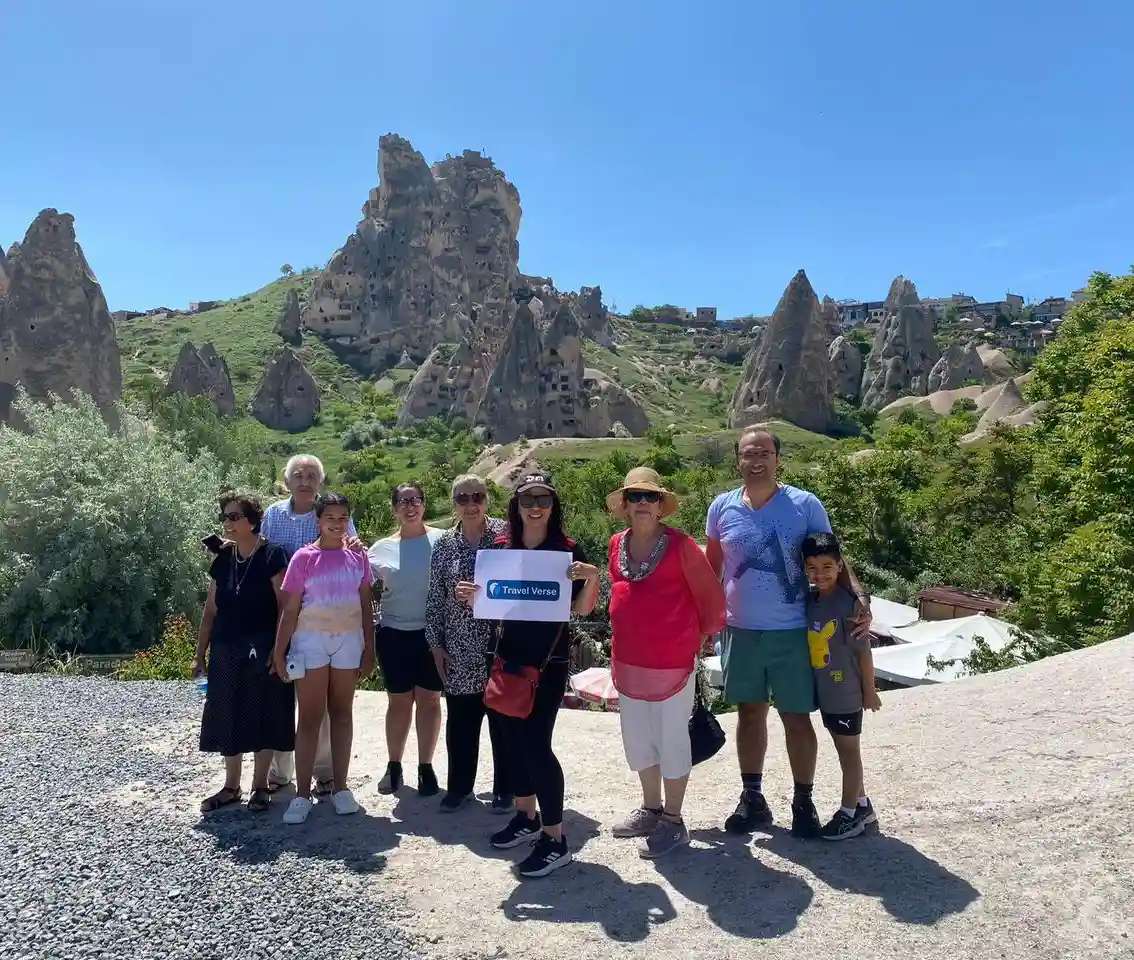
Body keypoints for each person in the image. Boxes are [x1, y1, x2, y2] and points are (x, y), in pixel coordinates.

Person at [706, 427, 870, 838]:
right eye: (748, 454)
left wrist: (860, 601)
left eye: (764, 452)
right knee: (749, 714)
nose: (756, 460)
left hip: (795, 630)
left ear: (778, 459)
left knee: (797, 717)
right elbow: (711, 570)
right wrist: (701, 623)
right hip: (740, 631)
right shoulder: (721, 507)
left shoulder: (803, 504)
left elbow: (833, 556)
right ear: (737, 460)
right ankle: (753, 798)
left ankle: (803, 800)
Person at [481, 473, 600, 878]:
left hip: (547, 664)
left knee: (536, 746)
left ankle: (555, 838)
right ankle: (525, 816)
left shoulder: (566, 550)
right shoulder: (501, 546)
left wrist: (593, 577)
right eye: (528, 499)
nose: (536, 506)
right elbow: (490, 596)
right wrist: (472, 594)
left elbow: (583, 610)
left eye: (543, 499)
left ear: (553, 506)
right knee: (510, 744)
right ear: (516, 505)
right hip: (506, 660)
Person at [604, 468, 726, 858]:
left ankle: (673, 821)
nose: (642, 503)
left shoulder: (681, 546)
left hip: (672, 662)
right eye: (635, 496)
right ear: (624, 505)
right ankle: (651, 807)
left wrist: (702, 640)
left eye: (650, 497)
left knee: (672, 739)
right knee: (638, 740)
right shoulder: (614, 544)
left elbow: (710, 597)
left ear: (660, 507)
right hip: (629, 661)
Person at [260, 454, 361, 796]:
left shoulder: (332, 514)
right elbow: (260, 553)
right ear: (287, 481)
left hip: (322, 621)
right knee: (278, 695)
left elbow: (353, 551)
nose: (305, 481)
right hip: (280, 613)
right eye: (298, 475)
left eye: (312, 475)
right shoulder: (273, 515)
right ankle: (280, 771)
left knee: (320, 705)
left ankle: (325, 772)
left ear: (320, 481)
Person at [272, 492, 376, 825]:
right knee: (311, 717)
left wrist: (369, 647)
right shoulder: (303, 558)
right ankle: (302, 794)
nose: (337, 523)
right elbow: (290, 610)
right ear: (318, 520)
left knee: (342, 713)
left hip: (348, 640)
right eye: (330, 517)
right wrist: (279, 650)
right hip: (310, 641)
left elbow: (366, 605)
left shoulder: (358, 558)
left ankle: (341, 787)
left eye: (343, 517)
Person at [195, 493, 293, 814]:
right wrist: (200, 654)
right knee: (227, 713)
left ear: (252, 521)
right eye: (224, 517)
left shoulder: (273, 556)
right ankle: (231, 786)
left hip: (262, 646)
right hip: (226, 647)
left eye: (234, 516)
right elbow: (210, 611)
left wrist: (278, 650)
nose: (227, 523)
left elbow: (284, 606)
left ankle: (260, 785)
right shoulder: (223, 560)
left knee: (263, 712)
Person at [424, 474, 512, 812]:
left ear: (487, 499)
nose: (471, 503)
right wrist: (436, 645)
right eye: (463, 498)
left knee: (503, 721)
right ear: (454, 503)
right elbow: (434, 599)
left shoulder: (506, 535)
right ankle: (459, 787)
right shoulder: (444, 544)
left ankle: (506, 788)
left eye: (477, 496)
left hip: (501, 645)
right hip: (459, 649)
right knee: (461, 721)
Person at [801, 532, 881, 840]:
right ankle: (862, 805)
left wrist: (869, 690)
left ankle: (848, 814)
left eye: (827, 567)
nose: (819, 574)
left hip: (846, 692)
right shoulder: (813, 600)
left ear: (839, 566)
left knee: (850, 753)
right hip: (827, 693)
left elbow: (863, 652)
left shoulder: (850, 606)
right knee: (842, 749)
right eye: (812, 568)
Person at [368, 482, 444, 796]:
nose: (410, 506)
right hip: (393, 634)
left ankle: (426, 767)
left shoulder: (443, 540)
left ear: (424, 505)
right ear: (394, 508)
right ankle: (394, 766)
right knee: (398, 703)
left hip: (433, 635)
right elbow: (362, 590)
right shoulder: (378, 549)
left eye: (415, 500)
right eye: (403, 501)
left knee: (429, 702)